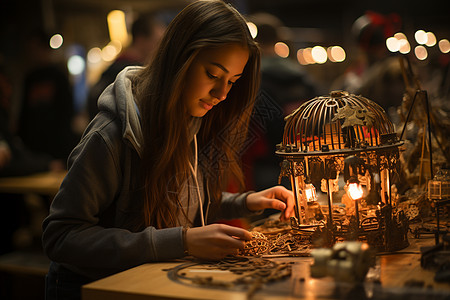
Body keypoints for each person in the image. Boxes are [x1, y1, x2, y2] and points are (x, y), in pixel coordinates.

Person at [42, 1, 295, 299]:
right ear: (178, 58)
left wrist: (246, 201)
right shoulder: (110, 135)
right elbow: (61, 236)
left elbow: (180, 202)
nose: (223, 94)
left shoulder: (190, 120)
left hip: (146, 283)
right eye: (213, 75)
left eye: (232, 82)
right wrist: (183, 241)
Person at [242, 12, 320, 191]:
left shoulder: (254, 78)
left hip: (268, 162)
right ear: (277, 38)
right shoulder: (300, 75)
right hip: (304, 157)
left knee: (273, 211)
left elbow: (253, 124)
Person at [86, 12, 166, 120]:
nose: (161, 49)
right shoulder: (134, 75)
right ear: (140, 39)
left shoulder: (113, 67)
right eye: (157, 42)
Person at [18, 29, 78, 162]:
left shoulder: (58, 76)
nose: (32, 53)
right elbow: (24, 113)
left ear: (44, 48)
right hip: (33, 147)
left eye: (35, 48)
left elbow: (67, 110)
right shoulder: (30, 77)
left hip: (57, 147)